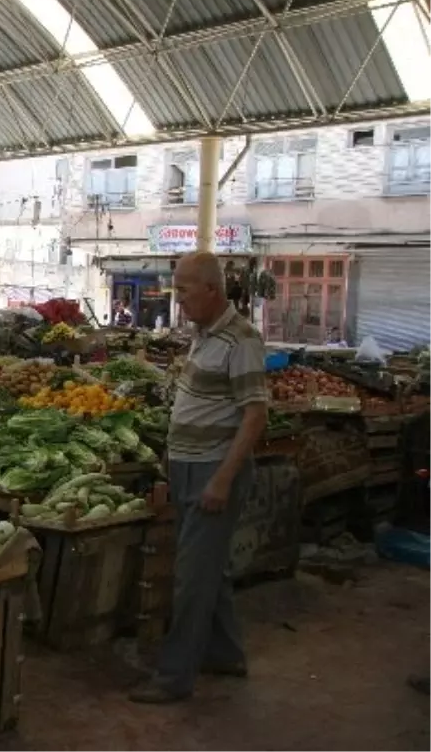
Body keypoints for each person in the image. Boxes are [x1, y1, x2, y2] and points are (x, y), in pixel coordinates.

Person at [129, 251, 268, 705]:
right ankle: (226, 654)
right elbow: (192, 402)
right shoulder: (203, 334)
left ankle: (173, 678)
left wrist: (223, 480)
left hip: (214, 469)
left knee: (192, 578)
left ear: (211, 289)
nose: (178, 296)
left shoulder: (241, 339)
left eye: (185, 288)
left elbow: (254, 416)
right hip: (189, 467)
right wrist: (171, 460)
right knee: (211, 570)